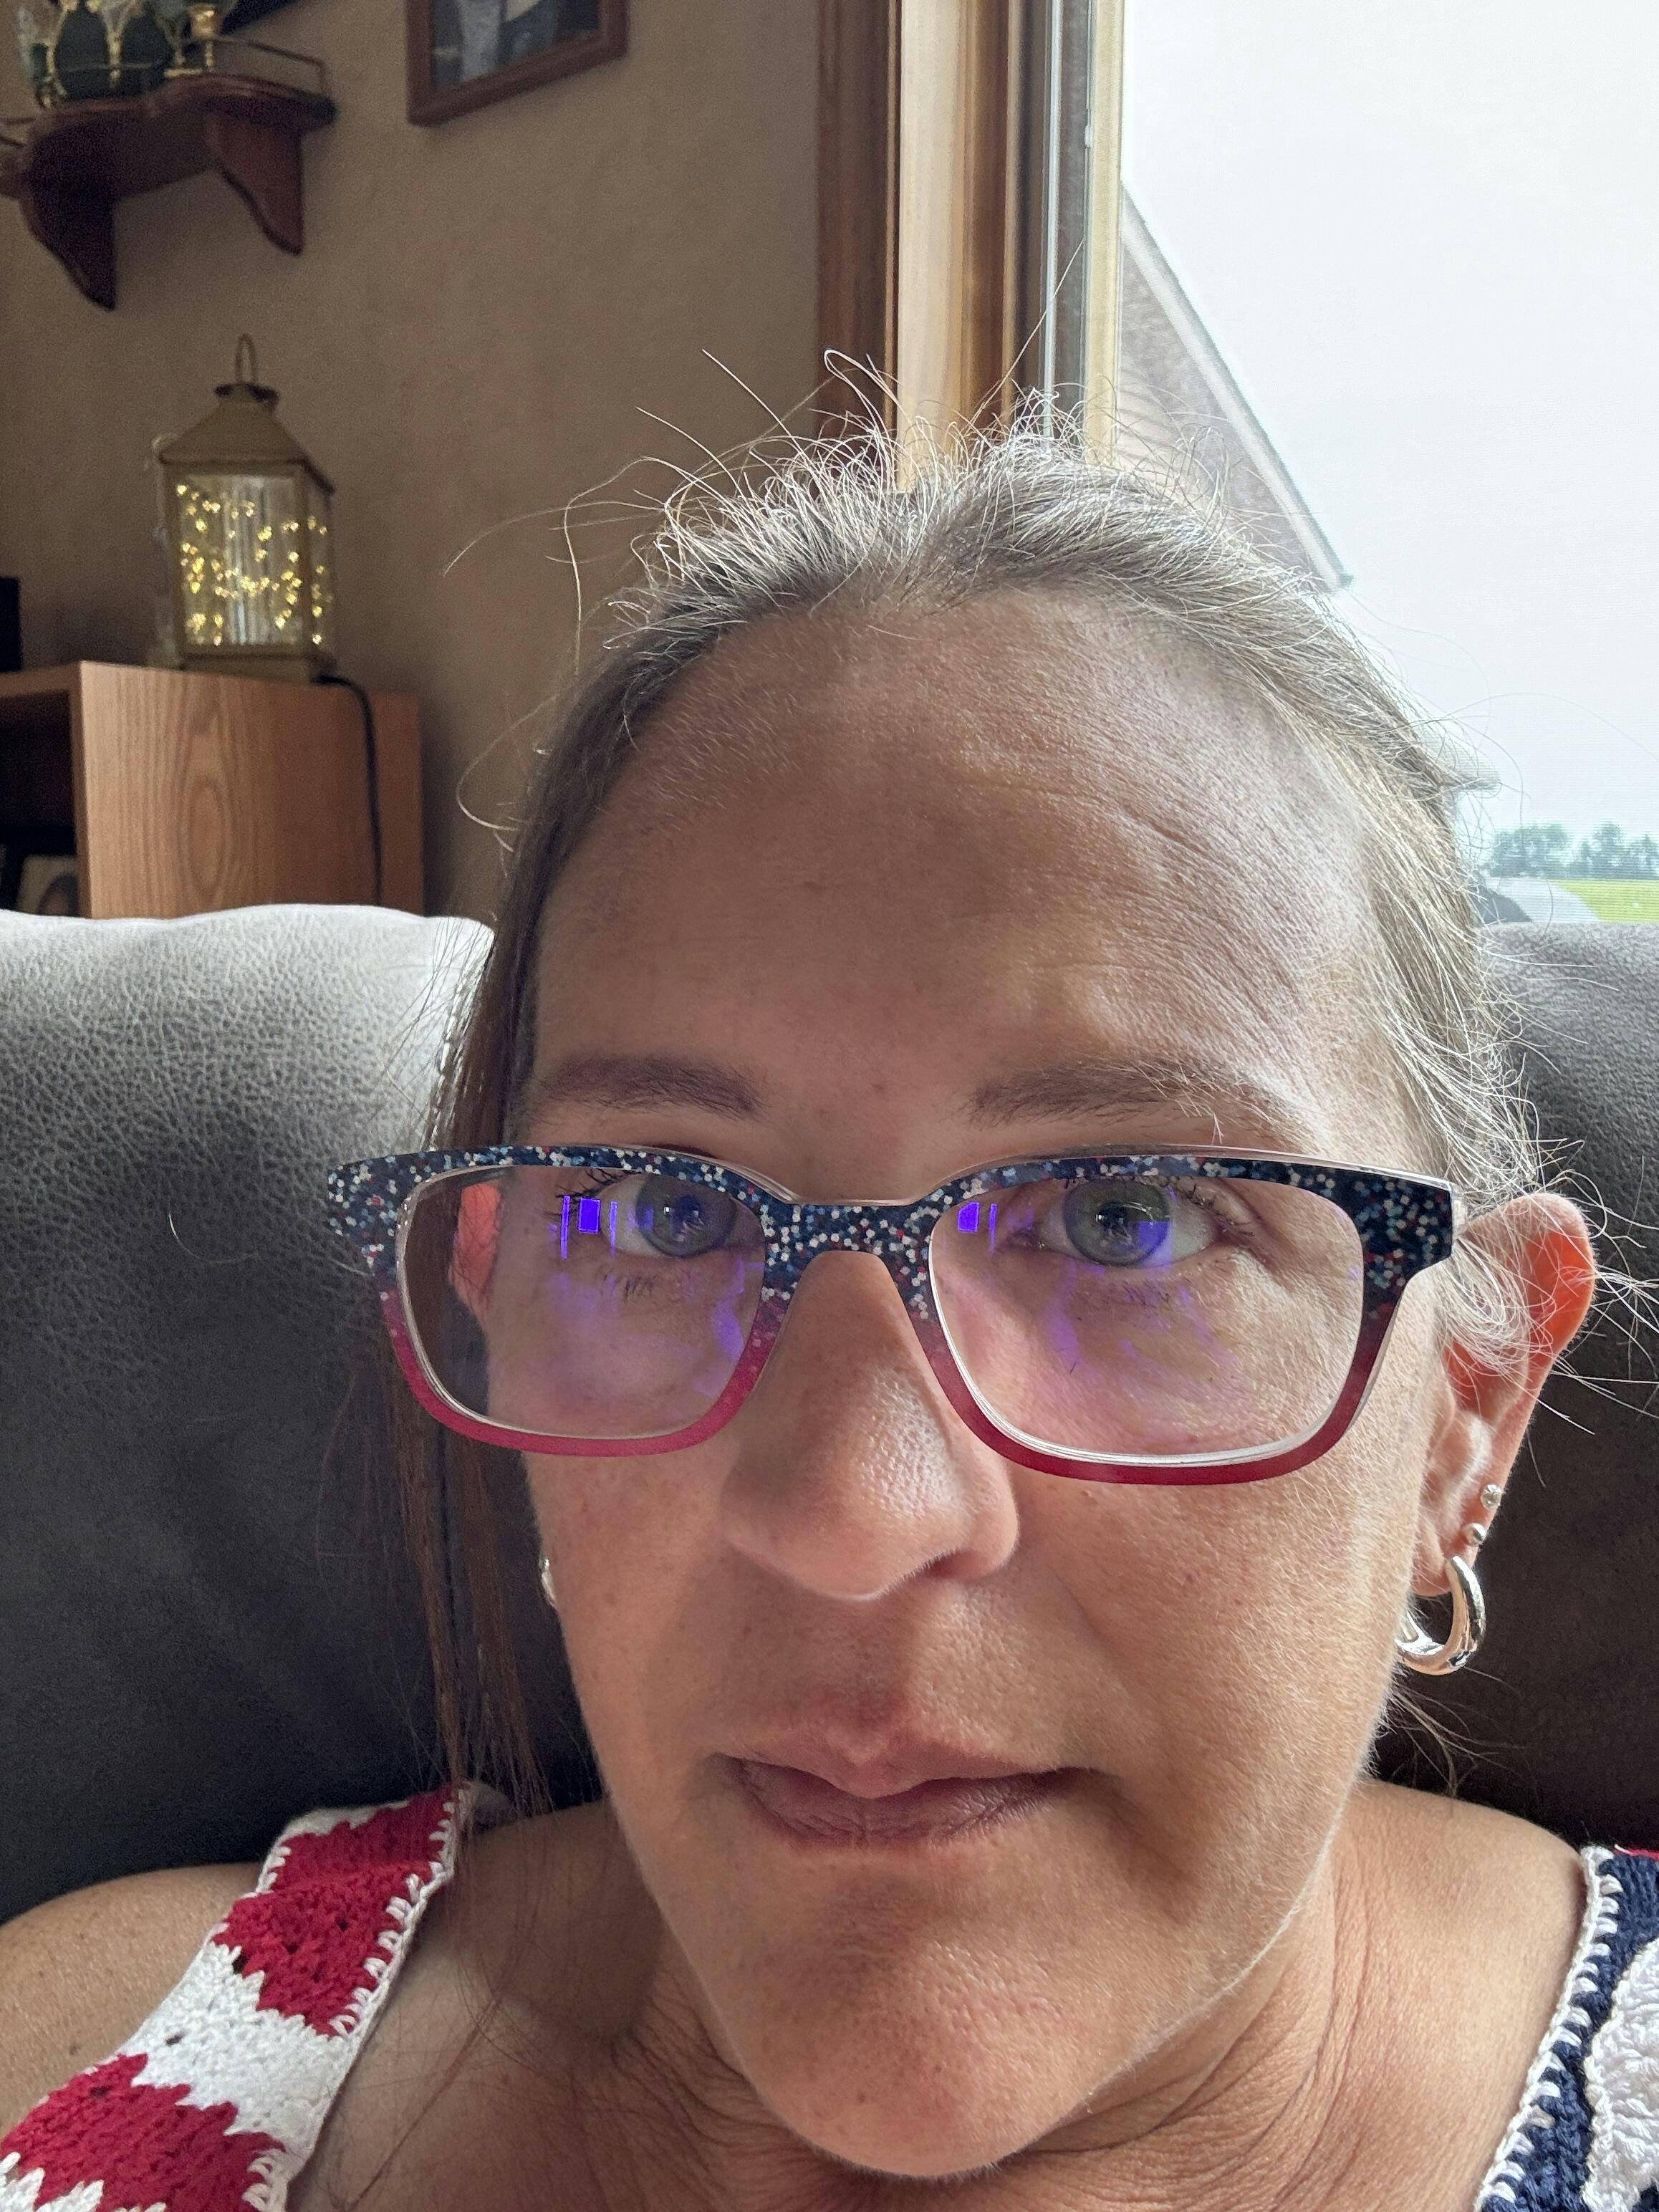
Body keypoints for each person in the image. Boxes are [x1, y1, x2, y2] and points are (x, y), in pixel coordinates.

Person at [1, 431, 1650, 2212]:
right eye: (665, 1210)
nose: (856, 1516)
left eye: (1129, 1216)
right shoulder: (89, 2044)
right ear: (494, 1307)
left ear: (1469, 1400)